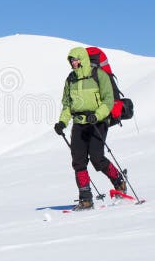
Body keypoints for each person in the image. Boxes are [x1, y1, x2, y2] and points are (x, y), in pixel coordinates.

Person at [53, 47, 126, 210]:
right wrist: (62, 123)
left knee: (97, 158)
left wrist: (98, 115)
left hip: (97, 121)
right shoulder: (70, 79)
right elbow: (67, 105)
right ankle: (86, 199)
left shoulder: (99, 75)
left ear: (83, 59)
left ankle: (119, 181)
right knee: (78, 161)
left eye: (75, 59)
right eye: (71, 60)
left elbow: (108, 100)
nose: (73, 63)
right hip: (79, 122)